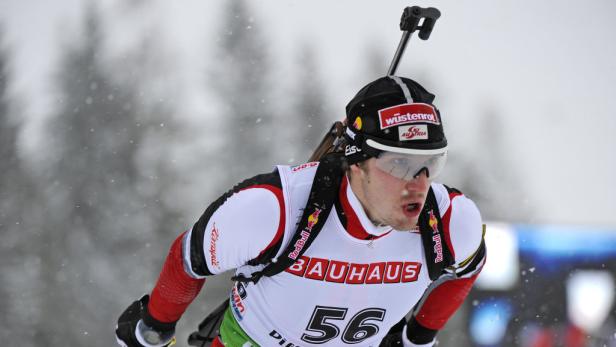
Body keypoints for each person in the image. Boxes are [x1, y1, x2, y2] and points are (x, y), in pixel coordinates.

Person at [116, 75, 486, 347]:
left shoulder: (450, 223)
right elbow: (190, 259)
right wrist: (153, 329)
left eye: (430, 165)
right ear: (355, 163)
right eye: (399, 165)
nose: (417, 184)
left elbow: (469, 268)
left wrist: (418, 337)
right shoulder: (274, 209)